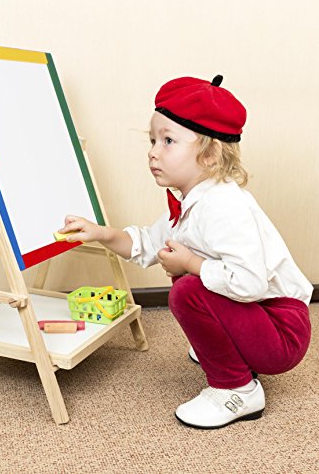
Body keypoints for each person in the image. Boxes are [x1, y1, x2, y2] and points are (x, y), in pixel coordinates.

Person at [58, 75, 313, 429]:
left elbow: (251, 282)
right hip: (258, 317)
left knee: (187, 289)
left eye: (168, 141)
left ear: (209, 154)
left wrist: (191, 263)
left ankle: (237, 389)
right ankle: (225, 347)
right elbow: (146, 244)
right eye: (152, 140)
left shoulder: (223, 206)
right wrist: (101, 233)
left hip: (282, 330)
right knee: (185, 276)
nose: (153, 151)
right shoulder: (192, 202)